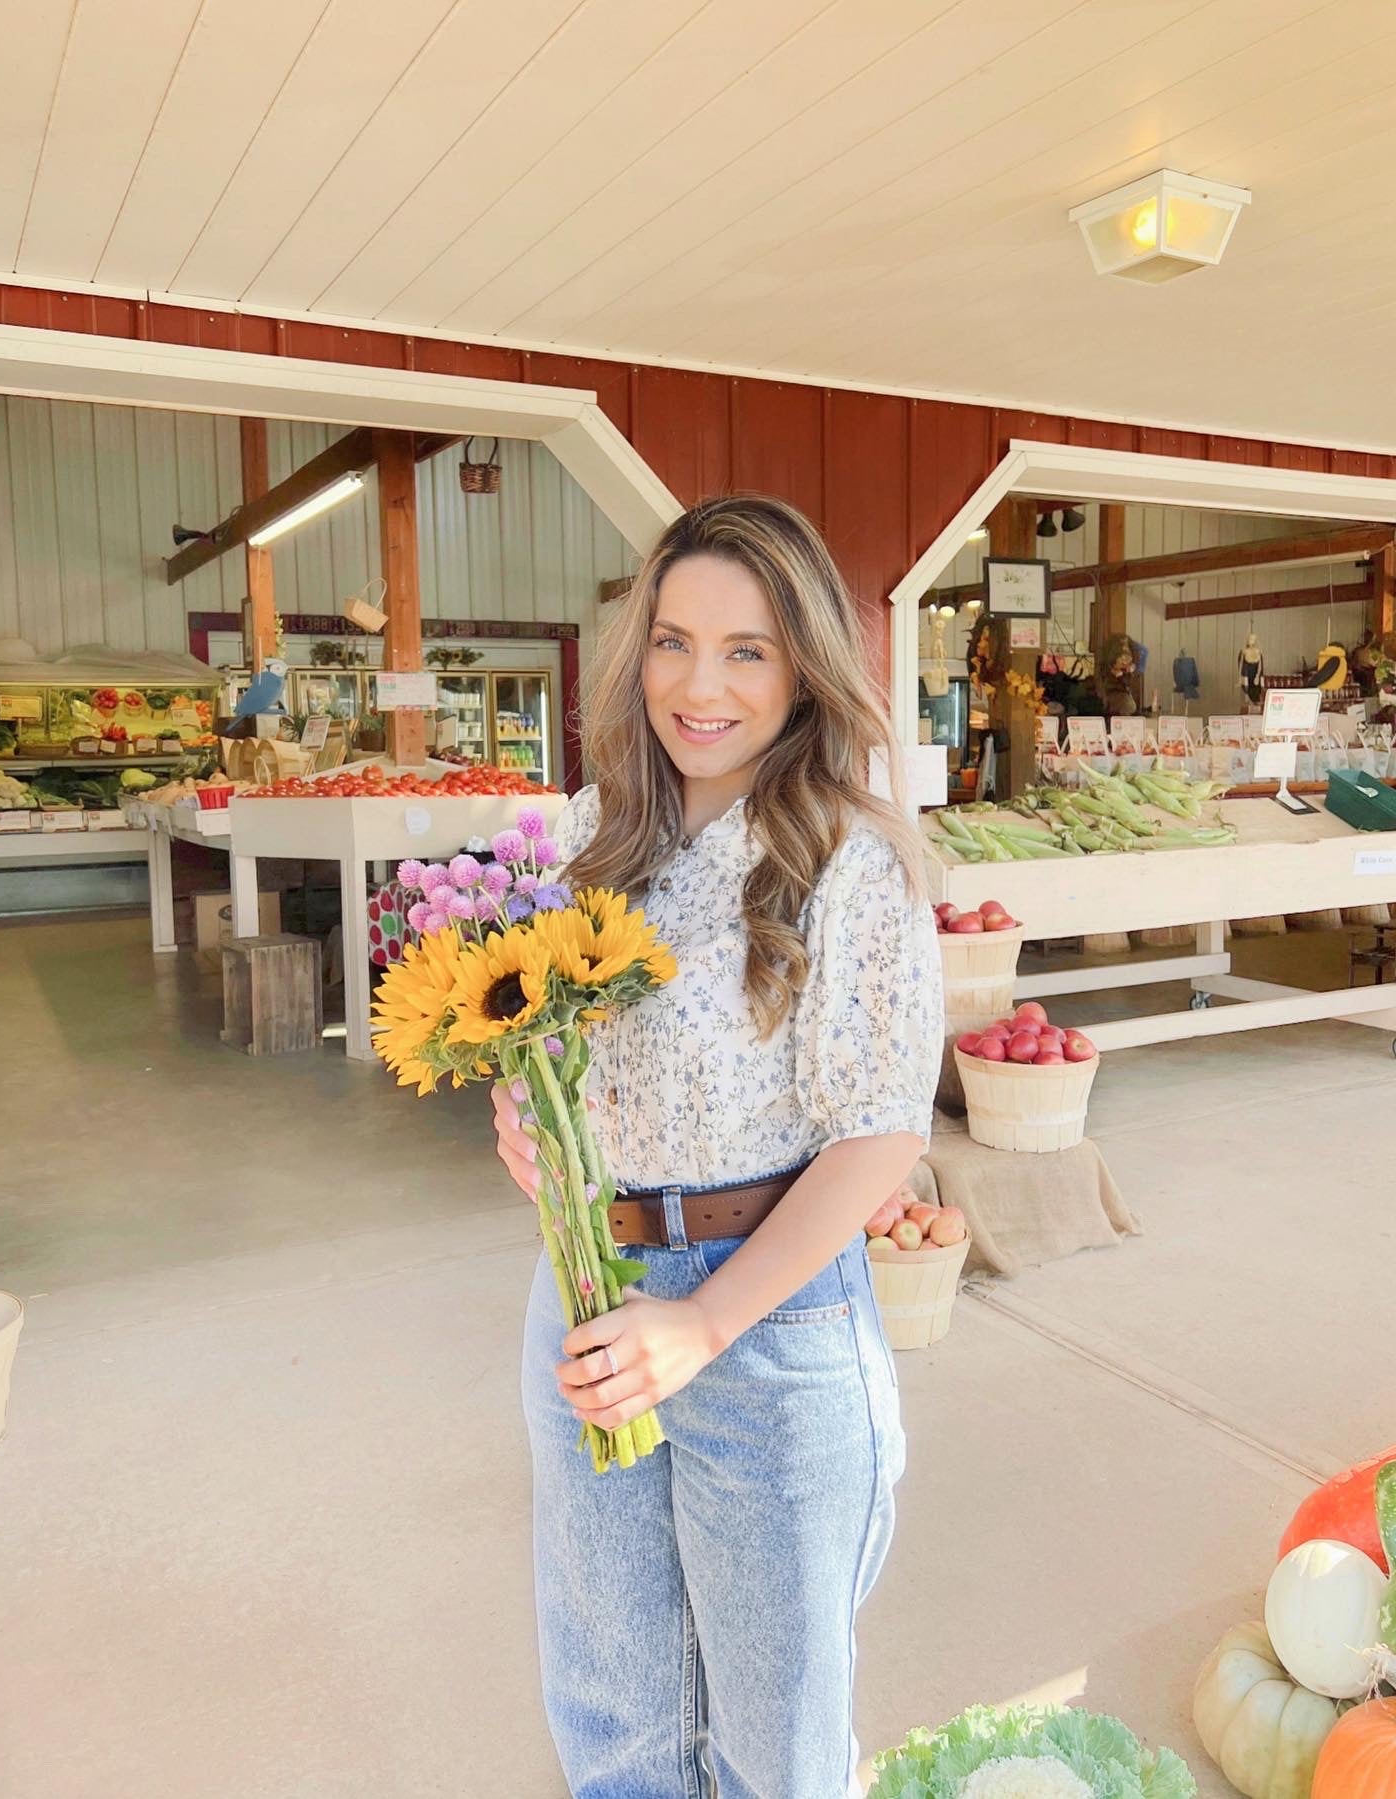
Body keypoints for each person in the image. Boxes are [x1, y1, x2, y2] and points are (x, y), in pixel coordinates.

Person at [490, 495, 943, 1798]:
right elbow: (532, 1030)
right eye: (675, 641)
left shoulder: (850, 856)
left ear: (803, 662)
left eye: (746, 649)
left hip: (772, 1324)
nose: (700, 686)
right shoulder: (592, 836)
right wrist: (522, 1117)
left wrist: (705, 1325)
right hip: (584, 1299)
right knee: (616, 1712)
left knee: (773, 1746)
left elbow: (879, 1139)